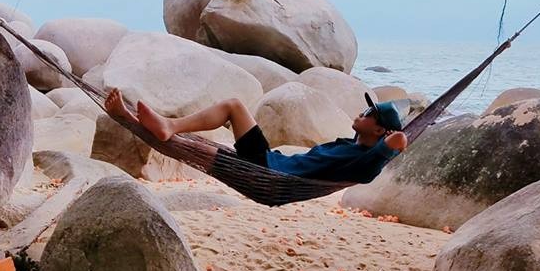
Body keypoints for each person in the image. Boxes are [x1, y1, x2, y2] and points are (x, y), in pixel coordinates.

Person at [104, 88, 407, 183]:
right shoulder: (351, 145)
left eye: (369, 113)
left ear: (379, 130)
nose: (361, 113)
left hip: (270, 170)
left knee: (234, 106)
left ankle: (169, 125)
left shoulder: (361, 160)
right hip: (269, 163)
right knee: (198, 147)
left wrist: (391, 145)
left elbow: (379, 160)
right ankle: (131, 118)